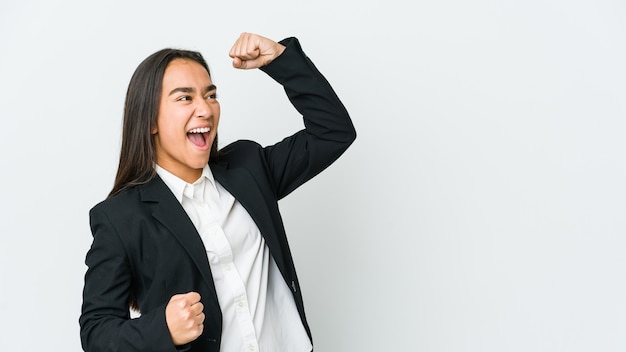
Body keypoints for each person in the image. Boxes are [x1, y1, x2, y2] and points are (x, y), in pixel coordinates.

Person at [79, 32, 356, 352]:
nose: (205, 109)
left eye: (210, 95)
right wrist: (163, 329)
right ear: (151, 120)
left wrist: (282, 60)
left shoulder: (249, 168)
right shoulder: (121, 217)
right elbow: (97, 332)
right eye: (185, 98)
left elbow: (333, 132)